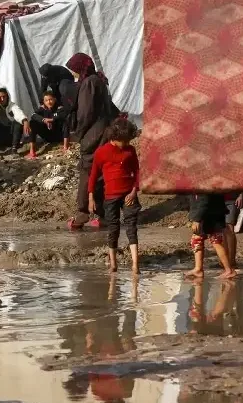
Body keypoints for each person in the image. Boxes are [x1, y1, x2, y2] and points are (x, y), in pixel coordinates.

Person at [66, 53, 118, 230]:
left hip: (93, 133)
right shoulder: (98, 80)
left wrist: (78, 133)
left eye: (74, 70)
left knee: (88, 171)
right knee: (102, 174)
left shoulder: (89, 83)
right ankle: (104, 215)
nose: (73, 74)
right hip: (104, 131)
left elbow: (86, 113)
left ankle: (82, 214)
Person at [88, 118, 140, 274]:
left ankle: (135, 265)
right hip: (110, 196)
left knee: (131, 227)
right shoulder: (101, 152)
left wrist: (134, 191)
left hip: (129, 194)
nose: (127, 143)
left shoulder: (130, 150)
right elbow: (93, 175)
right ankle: (113, 263)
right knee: (113, 228)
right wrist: (90, 197)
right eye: (124, 140)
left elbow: (137, 172)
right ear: (115, 138)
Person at [186, 194, 237, 279]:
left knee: (216, 241)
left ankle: (229, 270)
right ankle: (198, 269)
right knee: (197, 239)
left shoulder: (203, 182)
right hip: (209, 212)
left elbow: (204, 199)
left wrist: (197, 219)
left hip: (210, 214)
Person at [0, 87, 28, 158]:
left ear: (7, 96)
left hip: (10, 136)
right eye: (0, 97)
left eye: (4, 97)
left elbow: (18, 113)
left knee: (18, 122)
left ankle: (14, 149)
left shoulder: (12, 105)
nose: (2, 99)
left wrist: (24, 120)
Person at [28, 91, 66, 159]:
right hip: (47, 135)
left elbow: (62, 115)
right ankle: (32, 151)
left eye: (50, 99)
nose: (49, 102)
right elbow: (33, 115)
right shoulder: (43, 108)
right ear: (44, 101)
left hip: (58, 135)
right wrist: (44, 120)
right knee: (32, 122)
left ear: (54, 99)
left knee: (65, 121)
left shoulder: (59, 107)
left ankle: (65, 146)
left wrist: (51, 120)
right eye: (46, 100)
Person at [224, 192, 243, 268]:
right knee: (222, 231)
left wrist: (241, 195)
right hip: (217, 200)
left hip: (231, 200)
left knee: (229, 229)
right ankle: (223, 261)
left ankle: (232, 262)